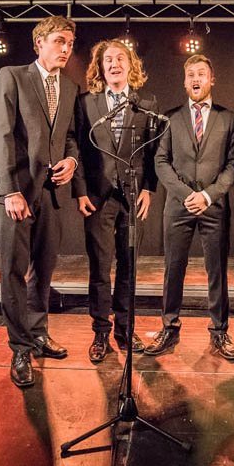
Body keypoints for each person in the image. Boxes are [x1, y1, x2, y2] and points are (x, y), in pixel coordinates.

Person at [0, 15, 79, 388]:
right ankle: (20, 348)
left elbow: (69, 137)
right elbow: (1, 134)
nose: (65, 49)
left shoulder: (69, 87)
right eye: (59, 41)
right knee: (13, 271)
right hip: (16, 193)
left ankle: (38, 333)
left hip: (51, 195)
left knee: (44, 269)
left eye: (70, 43)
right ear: (39, 42)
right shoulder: (12, 76)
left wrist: (72, 161)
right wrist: (9, 190)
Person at [147, 54, 234, 360]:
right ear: (184, 81)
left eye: (202, 73)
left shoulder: (228, 118)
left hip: (214, 206)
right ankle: (169, 328)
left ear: (212, 79)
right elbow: (160, 161)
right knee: (173, 268)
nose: (196, 79)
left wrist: (208, 196)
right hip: (178, 206)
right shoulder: (170, 118)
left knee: (217, 270)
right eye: (191, 74)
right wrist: (186, 194)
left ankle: (220, 331)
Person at [72, 39, 159, 363]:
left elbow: (154, 150)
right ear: (100, 67)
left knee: (129, 268)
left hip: (133, 198)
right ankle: (100, 333)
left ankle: (125, 330)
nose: (114, 64)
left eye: (120, 58)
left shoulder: (146, 103)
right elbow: (76, 147)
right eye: (107, 59)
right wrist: (80, 190)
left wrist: (149, 189)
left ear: (130, 64)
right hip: (97, 198)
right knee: (99, 268)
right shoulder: (86, 102)